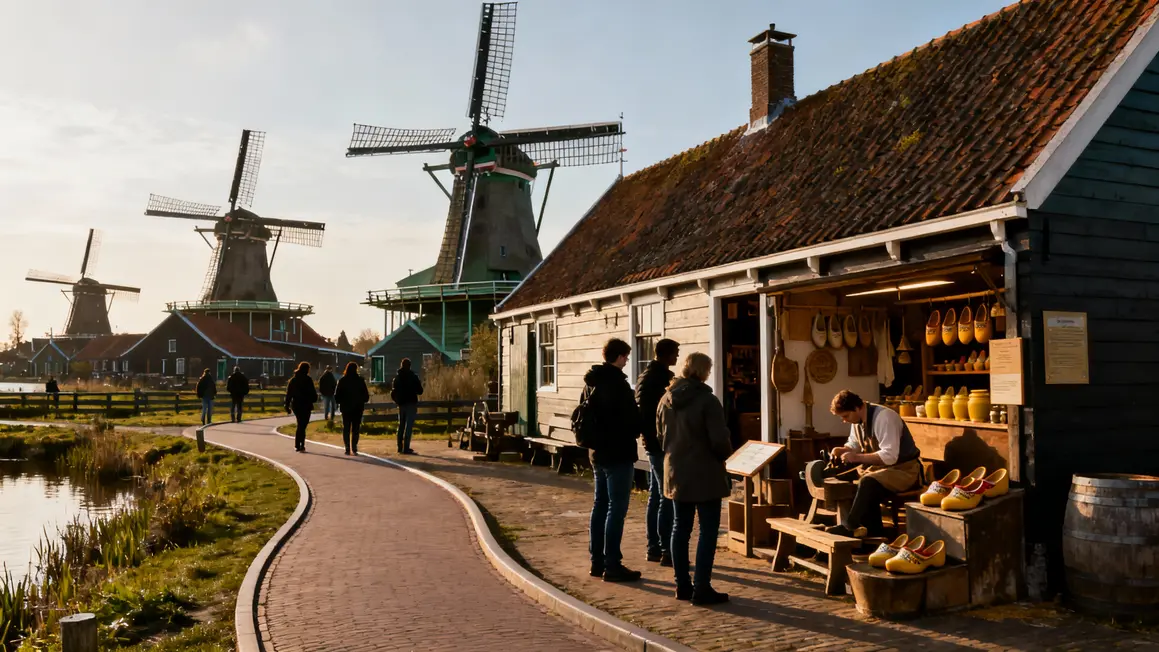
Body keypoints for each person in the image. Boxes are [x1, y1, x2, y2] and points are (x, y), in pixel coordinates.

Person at [658, 352, 733, 605]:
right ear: (704, 371)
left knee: (680, 528)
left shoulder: (666, 399)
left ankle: (682, 585)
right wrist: (726, 455)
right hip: (705, 472)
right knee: (708, 531)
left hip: (676, 470)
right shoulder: (707, 401)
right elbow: (719, 440)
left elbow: (660, 435)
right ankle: (702, 586)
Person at [824, 390, 923, 538]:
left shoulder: (885, 418)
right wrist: (842, 450)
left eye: (846, 416)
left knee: (867, 482)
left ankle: (850, 526)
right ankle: (872, 531)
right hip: (881, 469)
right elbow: (854, 444)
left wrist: (856, 457)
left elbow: (890, 457)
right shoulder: (857, 420)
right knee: (848, 478)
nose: (844, 420)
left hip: (905, 471)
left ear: (856, 408)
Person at [582, 338, 642, 583]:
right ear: (618, 357)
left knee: (600, 505)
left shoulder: (591, 383)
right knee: (616, 509)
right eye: (626, 357)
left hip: (597, 452)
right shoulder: (618, 385)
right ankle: (612, 563)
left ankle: (597, 560)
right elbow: (631, 421)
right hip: (618, 453)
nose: (627, 361)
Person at [636, 338, 680, 566]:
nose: (677, 357)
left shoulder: (645, 376)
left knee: (655, 494)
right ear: (666, 354)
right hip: (660, 444)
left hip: (651, 442)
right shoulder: (660, 379)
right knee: (666, 496)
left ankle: (653, 546)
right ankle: (665, 549)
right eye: (675, 353)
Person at [334, 361, 370, 456]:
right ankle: (354, 447)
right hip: (358, 407)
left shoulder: (342, 380)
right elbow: (366, 396)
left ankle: (347, 447)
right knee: (355, 428)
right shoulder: (360, 380)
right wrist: (361, 400)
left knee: (346, 428)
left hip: (346, 407)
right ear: (356, 369)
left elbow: (337, 395)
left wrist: (340, 401)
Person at [390, 358, 423, 455]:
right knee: (409, 426)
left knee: (401, 425)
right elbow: (420, 391)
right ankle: (406, 447)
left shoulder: (397, 378)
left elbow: (393, 392)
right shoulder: (413, 377)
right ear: (410, 366)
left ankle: (399, 446)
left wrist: (397, 400)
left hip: (401, 404)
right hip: (411, 403)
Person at [284, 362, 318, 452]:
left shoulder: (293, 380)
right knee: (303, 425)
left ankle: (298, 444)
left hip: (296, 404)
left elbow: (289, 394)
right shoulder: (308, 380)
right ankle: (301, 444)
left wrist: (287, 405)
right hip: (306, 405)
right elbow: (313, 393)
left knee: (300, 424)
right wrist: (314, 399)